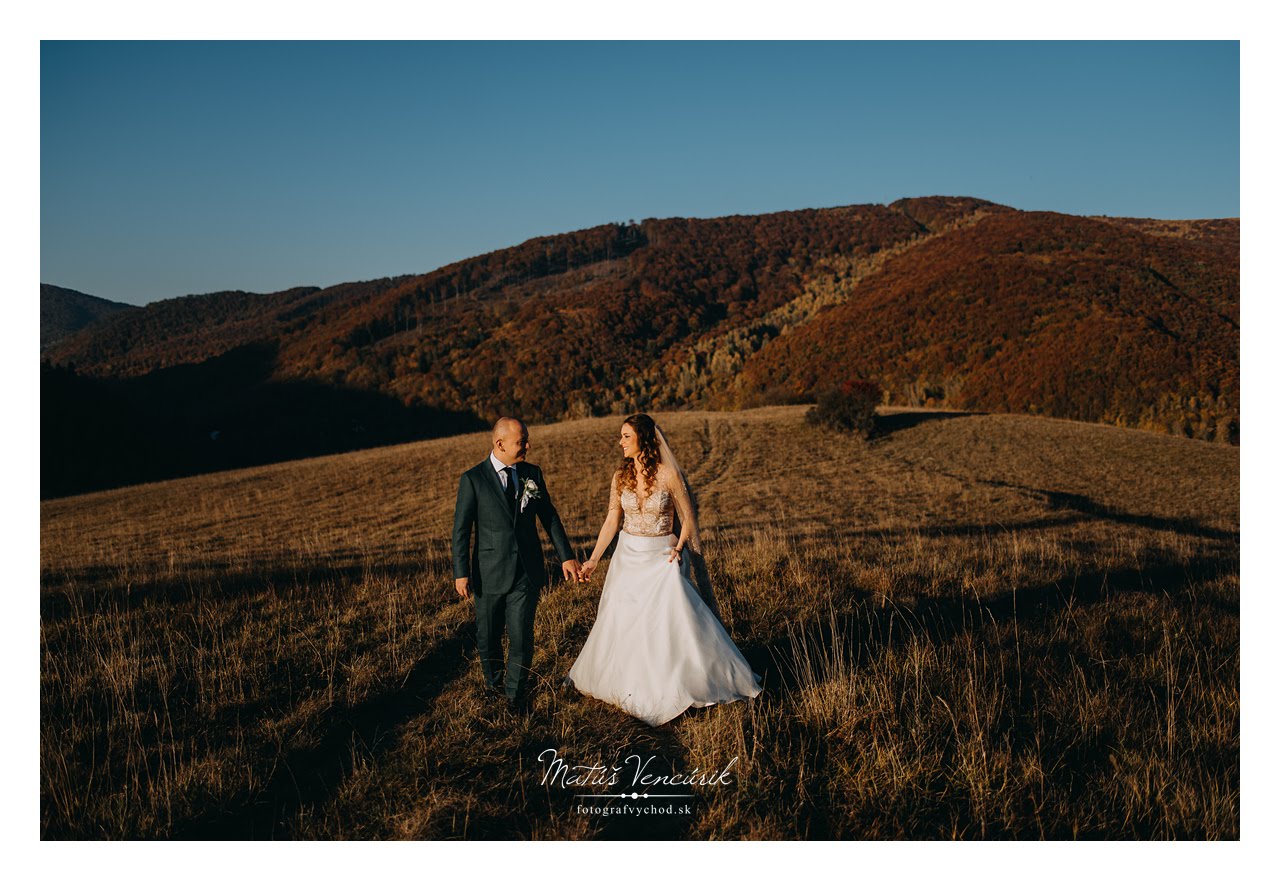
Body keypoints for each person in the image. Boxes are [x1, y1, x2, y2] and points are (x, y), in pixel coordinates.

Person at [566, 414, 762, 726]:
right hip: (628, 556)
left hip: (662, 556)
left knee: (666, 622)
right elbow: (612, 520)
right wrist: (593, 559)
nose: (620, 442)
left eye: (626, 436)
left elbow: (688, 518)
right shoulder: (620, 477)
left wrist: (679, 547)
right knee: (625, 621)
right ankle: (628, 683)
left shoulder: (669, 473)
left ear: (644, 439)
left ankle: (683, 681)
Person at [452, 417, 581, 713]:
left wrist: (566, 555)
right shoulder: (472, 479)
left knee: (522, 635)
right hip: (488, 571)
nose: (527, 446)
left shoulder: (531, 474)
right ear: (500, 444)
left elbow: (548, 516)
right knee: (488, 635)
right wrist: (461, 573)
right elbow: (461, 530)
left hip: (527, 569)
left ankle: (514, 696)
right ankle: (493, 684)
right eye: (521, 442)